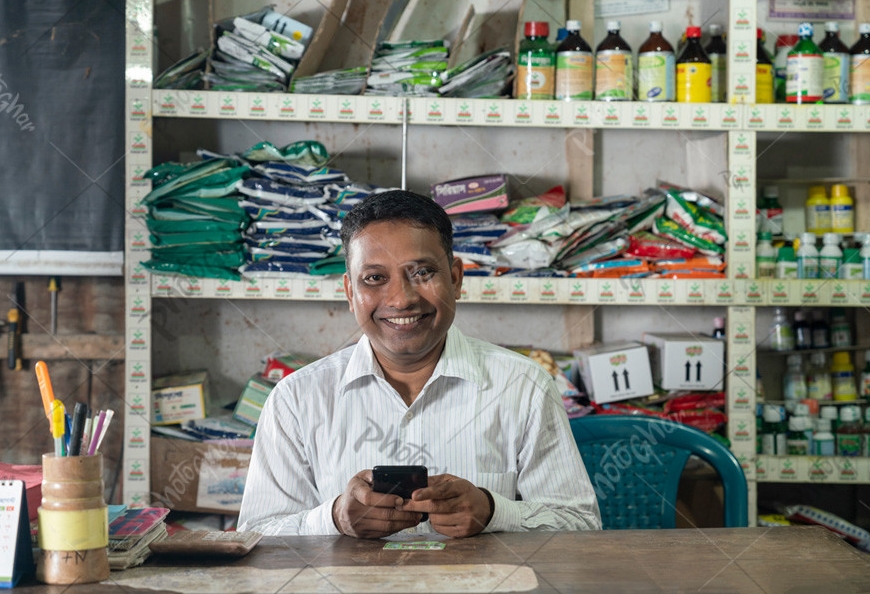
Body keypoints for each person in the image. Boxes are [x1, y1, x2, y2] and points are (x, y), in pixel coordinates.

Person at [237, 189, 601, 538]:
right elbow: (256, 538)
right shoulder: (296, 400)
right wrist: (333, 518)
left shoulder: (524, 387)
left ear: (456, 278)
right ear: (350, 292)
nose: (401, 299)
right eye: (375, 278)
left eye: (422, 273)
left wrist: (494, 511)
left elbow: (581, 527)